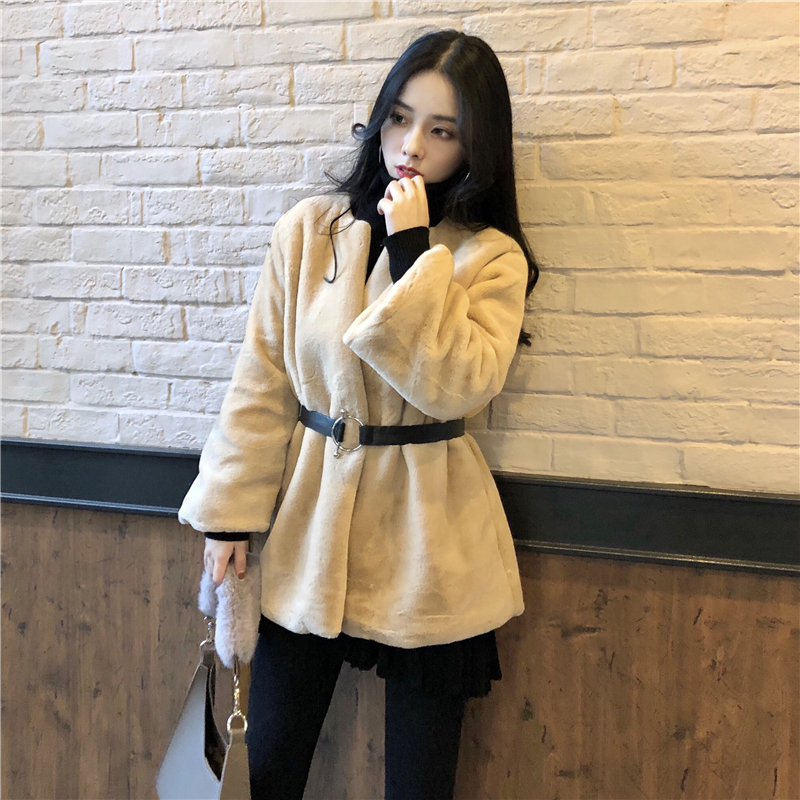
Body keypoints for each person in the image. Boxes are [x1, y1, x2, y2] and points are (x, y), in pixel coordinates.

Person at [178, 28, 539, 800]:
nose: (411, 146)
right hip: (311, 523)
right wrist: (228, 518)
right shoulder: (311, 232)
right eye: (399, 118)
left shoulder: (490, 257)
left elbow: (460, 385)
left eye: (443, 130)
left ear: (476, 146)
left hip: (430, 537)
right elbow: (262, 384)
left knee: (419, 783)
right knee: (267, 766)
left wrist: (412, 253)